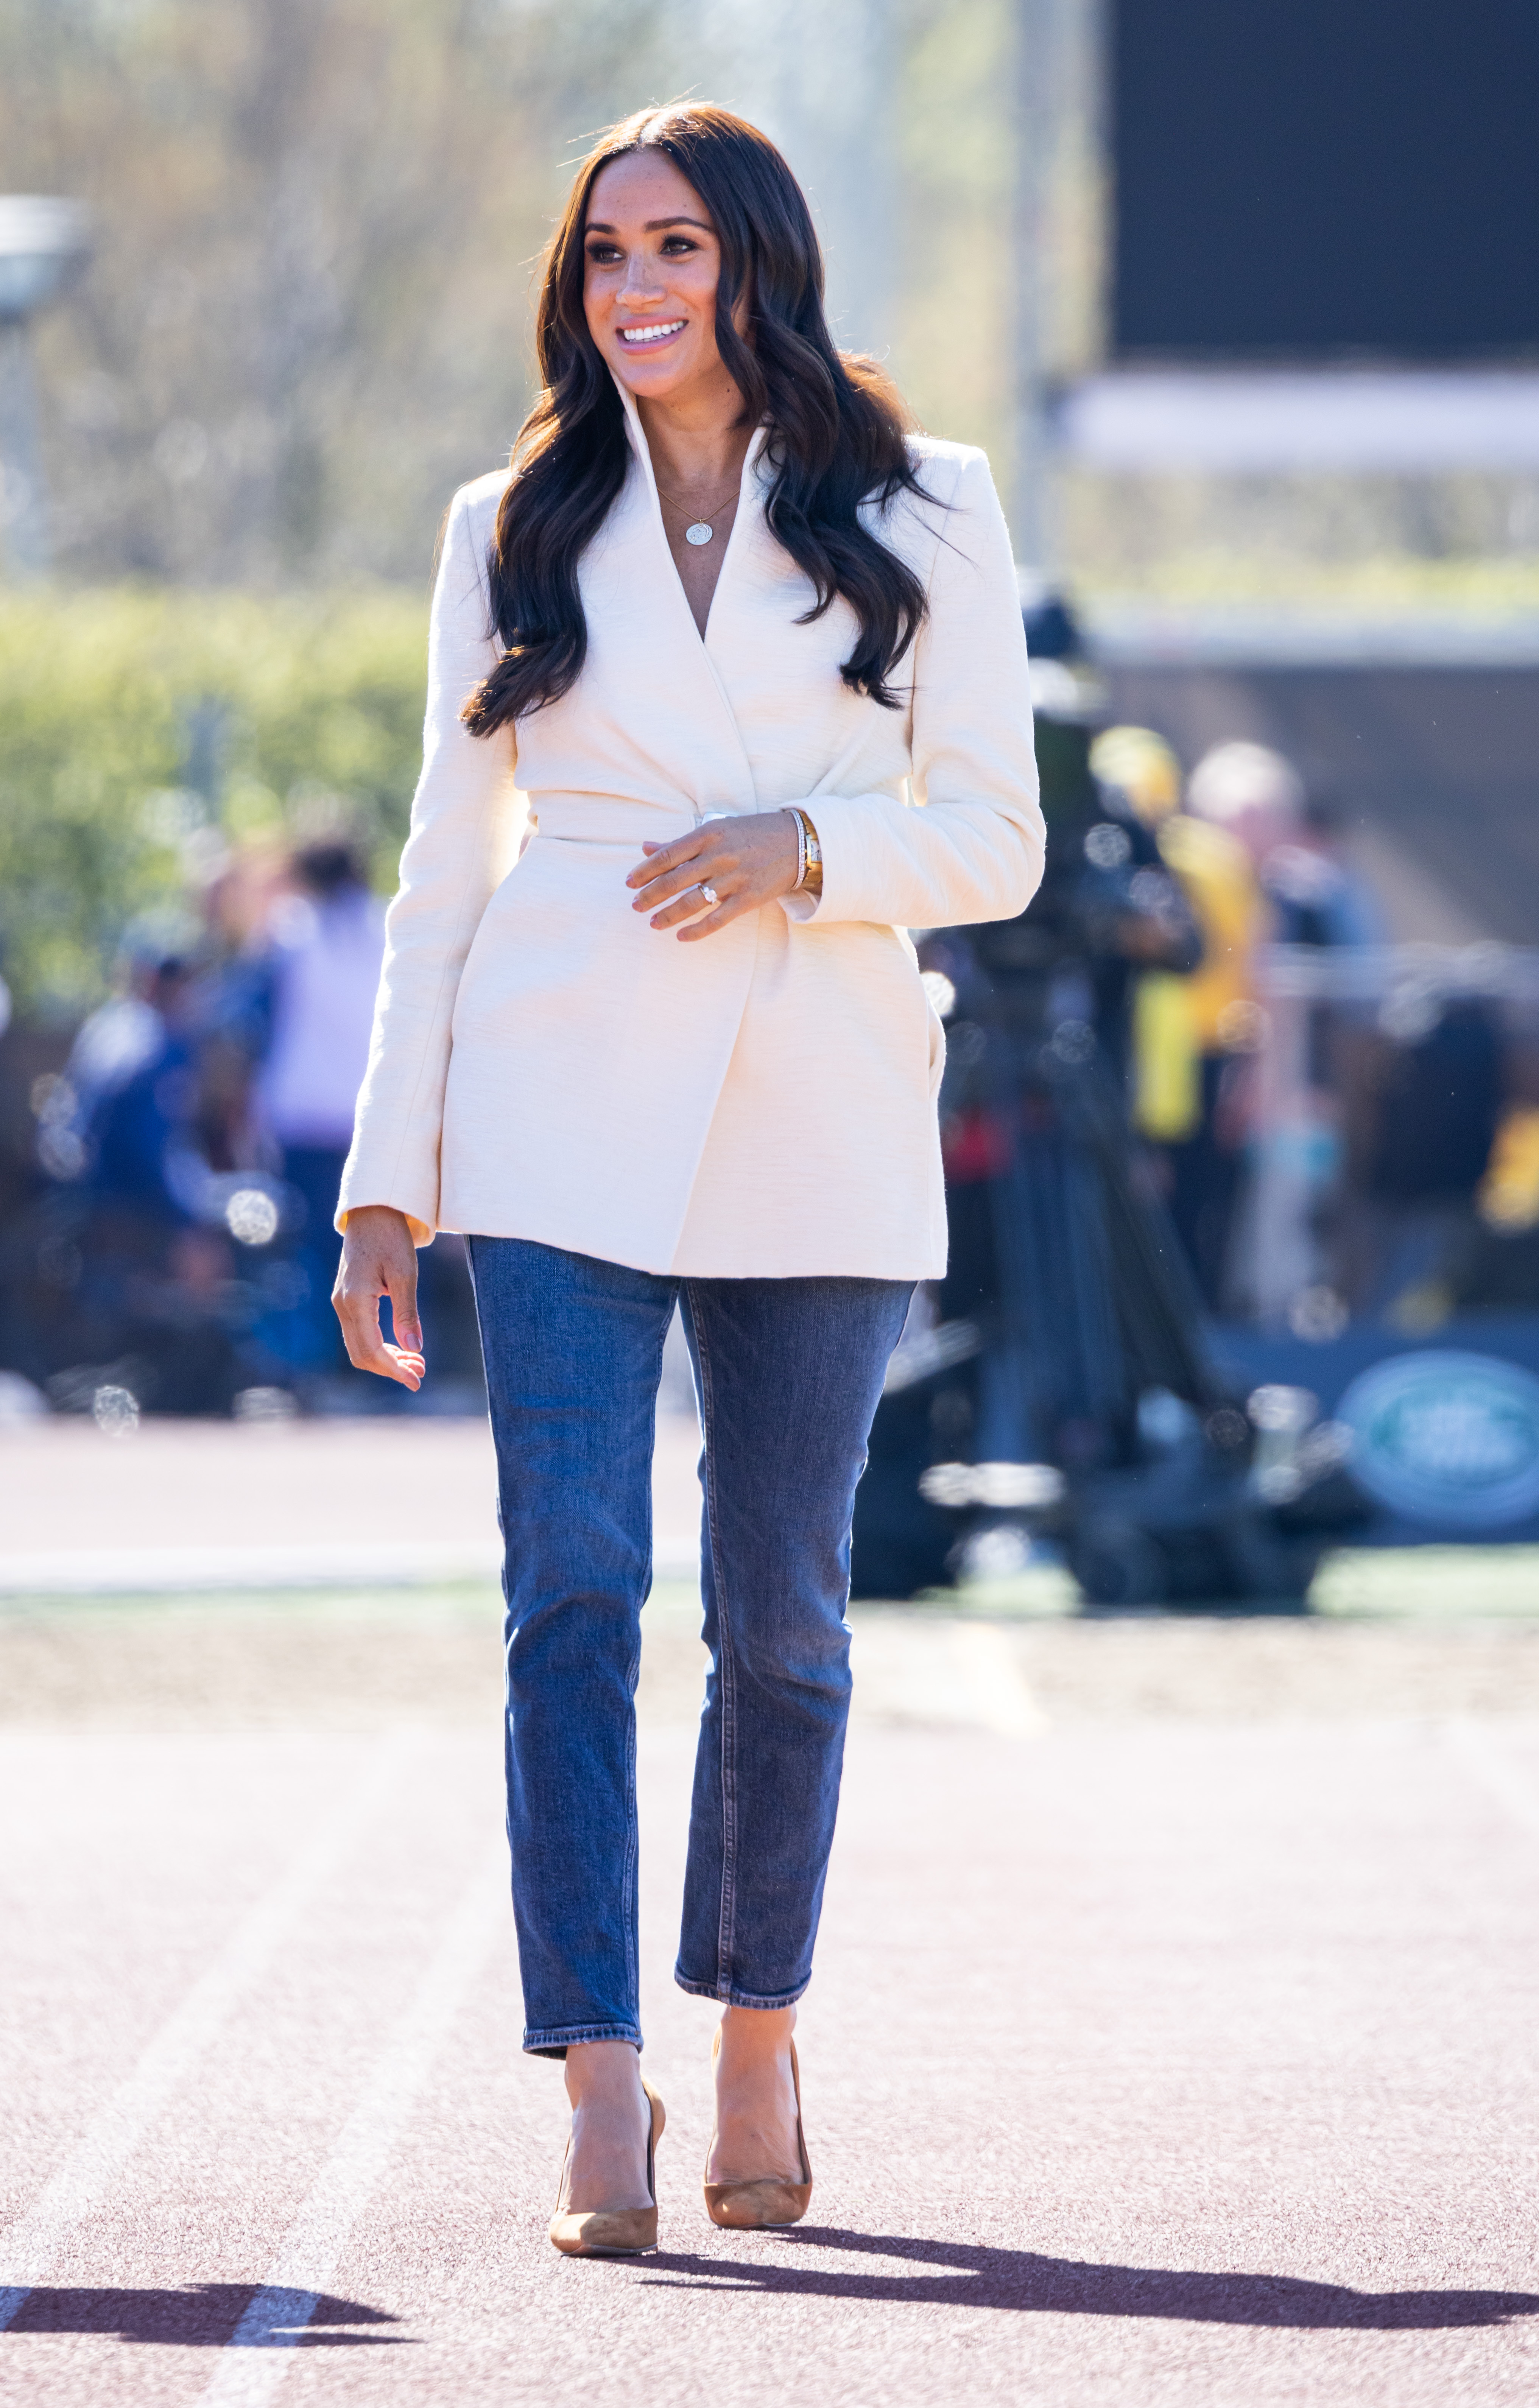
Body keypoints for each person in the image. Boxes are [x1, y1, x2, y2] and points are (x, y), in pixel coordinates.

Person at [332, 103, 1043, 2256]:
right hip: (551, 1106)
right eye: (605, 254)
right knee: (569, 1590)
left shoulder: (929, 506)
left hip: (821, 1107)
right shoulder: (511, 518)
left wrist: (804, 848)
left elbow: (995, 839)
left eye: (675, 250)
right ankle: (598, 2082)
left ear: (757, 265)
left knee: (791, 1621)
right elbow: (439, 867)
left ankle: (754, 2034)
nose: (635, 289)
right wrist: (389, 1176)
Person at [256, 841, 386, 1371]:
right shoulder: (388, 924)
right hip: (368, 1113)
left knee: (310, 1252)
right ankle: (387, 1366)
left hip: (304, 1114)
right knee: (381, 1248)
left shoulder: (292, 929)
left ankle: (312, 1369)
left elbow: (249, 1014)